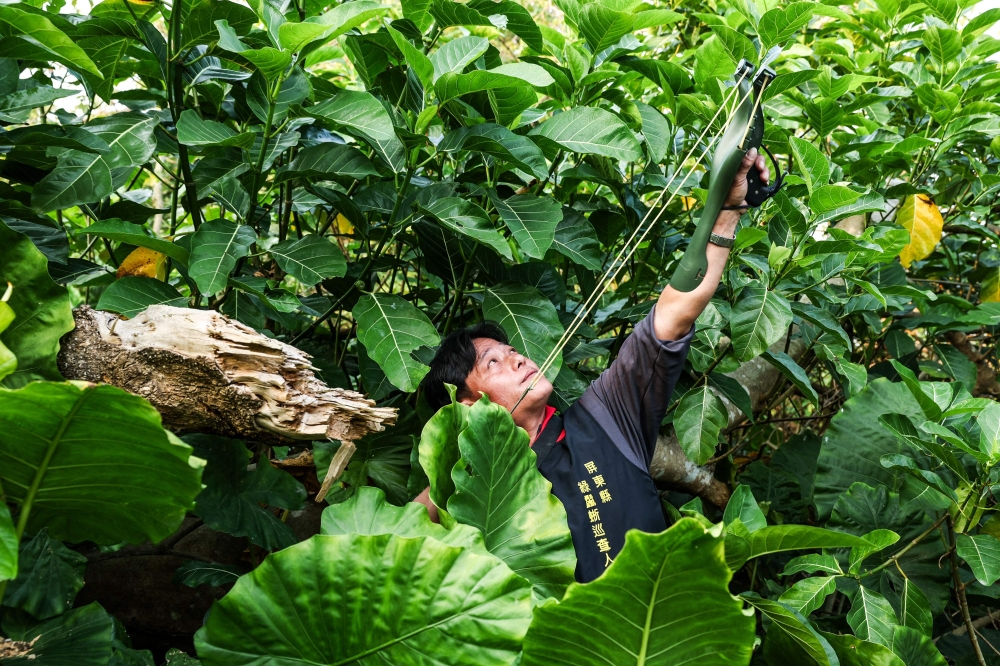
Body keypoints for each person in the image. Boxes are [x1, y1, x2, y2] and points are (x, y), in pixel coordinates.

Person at [415, 149, 770, 582]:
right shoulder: (474, 496)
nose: (518, 358)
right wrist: (458, 453)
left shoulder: (607, 417)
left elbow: (675, 312)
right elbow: (398, 545)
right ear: (468, 404)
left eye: (512, 351)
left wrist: (729, 209)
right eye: (494, 363)